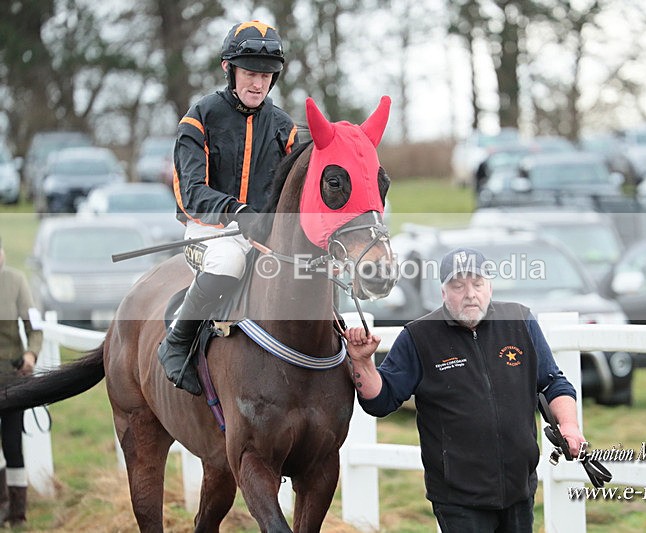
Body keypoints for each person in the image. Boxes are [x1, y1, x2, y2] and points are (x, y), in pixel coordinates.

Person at [345, 247, 585, 533]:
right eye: (458, 285)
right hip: (458, 499)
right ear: (443, 292)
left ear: (490, 286)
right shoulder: (419, 336)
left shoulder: (519, 321)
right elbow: (380, 402)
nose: (470, 293)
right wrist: (362, 363)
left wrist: (569, 426)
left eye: (477, 283)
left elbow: (553, 382)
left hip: (519, 489)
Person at [158, 20, 298, 395]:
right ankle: (177, 342)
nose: (258, 84)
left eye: (267, 76)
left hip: (264, 235)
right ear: (229, 69)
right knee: (229, 263)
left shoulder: (286, 128)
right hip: (209, 232)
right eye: (251, 73)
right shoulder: (199, 118)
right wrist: (236, 212)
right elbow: (190, 193)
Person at [0, 236, 41, 524]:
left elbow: (34, 327)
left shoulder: (15, 282)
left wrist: (30, 355)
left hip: (11, 377)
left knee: (12, 444)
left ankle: (17, 510)